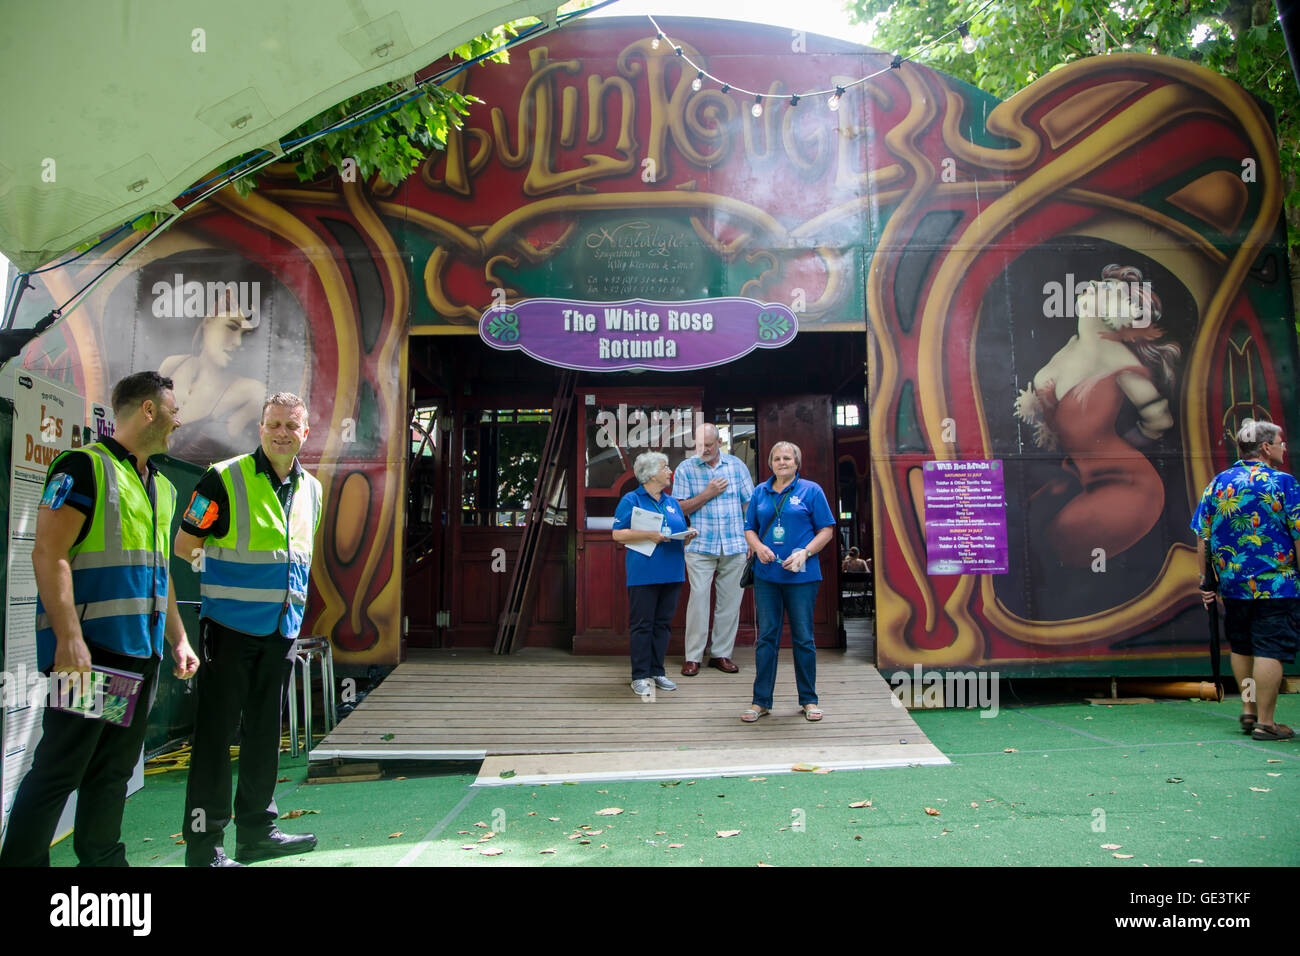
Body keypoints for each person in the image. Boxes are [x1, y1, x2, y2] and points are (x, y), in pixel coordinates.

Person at [0, 372, 199, 867]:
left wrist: (178, 639)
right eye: (173, 408)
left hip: (139, 656)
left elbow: (160, 571)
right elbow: (48, 552)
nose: (179, 419)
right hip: (91, 656)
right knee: (60, 768)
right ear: (148, 410)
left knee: (111, 770)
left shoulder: (162, 485)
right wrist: (70, 641)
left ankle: (104, 863)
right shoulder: (83, 468)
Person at [174, 392, 323, 866]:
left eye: (291, 426)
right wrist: (219, 583)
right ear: (260, 428)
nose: (282, 433)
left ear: (305, 432)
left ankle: (259, 831)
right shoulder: (222, 478)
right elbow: (184, 546)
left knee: (263, 734)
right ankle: (205, 848)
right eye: (273, 424)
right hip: (229, 630)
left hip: (280, 631)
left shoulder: (311, 489)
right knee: (216, 738)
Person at [1014, 264, 1180, 566]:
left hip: (1128, 487)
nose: (1091, 284)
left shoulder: (1113, 355)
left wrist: (1133, 438)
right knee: (1026, 529)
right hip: (1078, 474)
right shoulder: (1073, 345)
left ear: (1117, 309)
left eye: (1103, 288)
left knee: (1052, 541)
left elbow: (1160, 419)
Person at [1193, 419, 1299, 742]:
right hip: (1276, 586)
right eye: (1280, 442)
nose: (1283, 447)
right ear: (1266, 448)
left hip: (1233, 586)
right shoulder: (1284, 483)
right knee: (1269, 648)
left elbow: (1203, 538)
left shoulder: (1219, 483)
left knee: (1241, 645)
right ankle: (1267, 723)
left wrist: (1206, 582)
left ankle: (1249, 709)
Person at [742, 441, 836, 722]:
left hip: (802, 576)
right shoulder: (760, 492)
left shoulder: (811, 490)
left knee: (804, 638)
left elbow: (827, 530)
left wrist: (805, 552)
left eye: (787, 458)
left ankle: (808, 700)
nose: (782, 462)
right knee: (766, 638)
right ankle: (761, 702)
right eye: (777, 458)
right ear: (770, 463)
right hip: (767, 576)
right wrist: (758, 547)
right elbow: (749, 529)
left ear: (797, 463)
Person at [612, 452, 697, 696]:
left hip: (673, 572)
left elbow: (676, 530)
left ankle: (658, 671)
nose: (670, 471)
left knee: (663, 625)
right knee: (642, 625)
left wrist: (688, 534)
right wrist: (649, 535)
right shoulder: (632, 499)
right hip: (644, 573)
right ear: (650, 474)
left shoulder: (671, 502)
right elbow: (618, 534)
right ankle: (640, 675)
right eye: (665, 467)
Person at [673, 423, 754, 676]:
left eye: (708, 445)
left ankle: (721, 654)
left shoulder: (737, 467)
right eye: (699, 445)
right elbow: (679, 510)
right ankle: (693, 657)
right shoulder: (686, 468)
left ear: (719, 443)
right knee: (698, 601)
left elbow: (748, 506)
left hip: (734, 545)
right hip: (700, 545)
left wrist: (752, 539)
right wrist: (707, 493)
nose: (704, 449)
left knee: (730, 603)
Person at [159, 289, 265, 464]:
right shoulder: (172, 364)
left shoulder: (252, 392)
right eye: (231, 327)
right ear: (208, 322)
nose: (238, 342)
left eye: (245, 335)